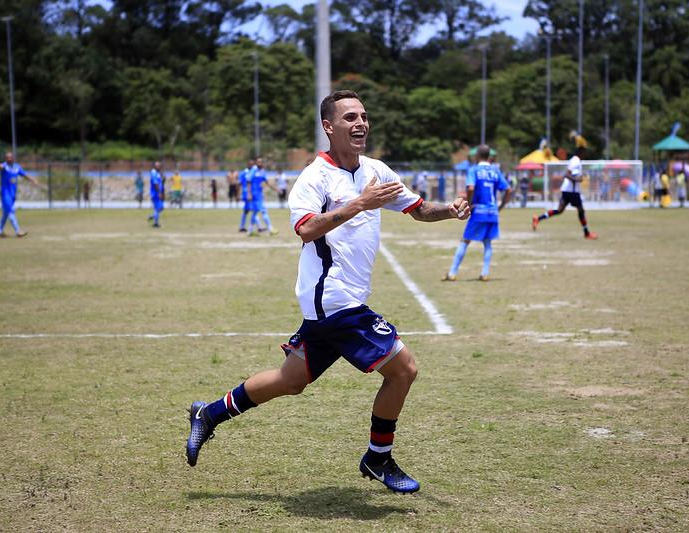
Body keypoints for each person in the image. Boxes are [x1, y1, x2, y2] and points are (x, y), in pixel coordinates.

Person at [185, 90, 471, 494]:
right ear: (329, 127)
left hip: (331, 306)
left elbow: (418, 209)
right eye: (350, 117)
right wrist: (359, 203)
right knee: (404, 369)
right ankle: (378, 458)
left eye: (364, 116)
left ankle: (209, 413)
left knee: (291, 379)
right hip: (336, 301)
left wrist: (450, 211)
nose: (360, 123)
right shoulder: (314, 177)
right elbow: (304, 229)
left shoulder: (376, 170)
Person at [443, 144, 511, 282]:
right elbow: (508, 190)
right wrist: (502, 205)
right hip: (492, 212)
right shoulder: (495, 171)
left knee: (465, 240)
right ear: (489, 156)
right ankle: (484, 273)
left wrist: (469, 203)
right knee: (487, 243)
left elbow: (471, 187)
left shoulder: (473, 170)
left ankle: (452, 273)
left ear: (477, 156)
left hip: (479, 210)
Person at [531, 147, 598, 239]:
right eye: (584, 153)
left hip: (567, 190)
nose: (585, 156)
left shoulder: (574, 160)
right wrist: (578, 179)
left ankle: (538, 219)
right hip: (572, 191)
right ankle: (586, 233)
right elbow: (568, 174)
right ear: (581, 153)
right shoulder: (576, 161)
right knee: (581, 210)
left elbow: (571, 174)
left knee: (559, 210)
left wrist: (578, 178)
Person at [0, 151, 40, 238]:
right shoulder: (4, 166)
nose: (9, 159)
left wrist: (33, 180)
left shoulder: (17, 167)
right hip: (5, 194)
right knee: (10, 211)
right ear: (5, 159)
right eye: (7, 158)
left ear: (13, 158)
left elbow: (24, 175)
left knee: (5, 213)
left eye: (10, 157)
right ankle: (18, 231)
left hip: (12, 194)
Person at [247, 158, 279, 235]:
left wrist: (276, 189)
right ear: (256, 162)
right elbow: (248, 181)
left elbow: (267, 182)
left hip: (259, 194)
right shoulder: (254, 170)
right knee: (263, 211)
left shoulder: (262, 171)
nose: (260, 163)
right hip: (255, 194)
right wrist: (249, 193)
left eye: (261, 162)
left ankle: (250, 231)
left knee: (255, 212)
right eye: (258, 162)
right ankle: (270, 229)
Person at [238, 161, 256, 232]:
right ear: (248, 164)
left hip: (250, 193)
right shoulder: (244, 173)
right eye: (250, 164)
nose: (251, 165)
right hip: (247, 194)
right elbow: (240, 184)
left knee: (246, 211)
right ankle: (259, 227)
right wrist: (239, 194)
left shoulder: (253, 172)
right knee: (254, 210)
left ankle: (242, 226)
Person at [148, 161, 164, 227]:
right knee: (158, 208)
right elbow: (156, 183)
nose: (159, 167)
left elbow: (160, 182)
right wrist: (159, 192)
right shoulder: (154, 172)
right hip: (155, 193)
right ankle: (155, 223)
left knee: (160, 208)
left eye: (159, 165)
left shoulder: (158, 173)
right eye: (157, 165)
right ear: (154, 166)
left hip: (158, 192)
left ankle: (152, 216)